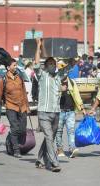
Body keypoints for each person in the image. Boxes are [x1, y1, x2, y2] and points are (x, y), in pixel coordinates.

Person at [34, 38, 62, 172]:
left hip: (56, 112)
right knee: (49, 137)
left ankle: (40, 159)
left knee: (49, 138)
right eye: (49, 63)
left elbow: (71, 64)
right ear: (45, 66)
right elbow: (36, 63)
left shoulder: (58, 77)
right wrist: (38, 46)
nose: (52, 65)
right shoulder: (42, 75)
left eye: (54, 64)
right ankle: (54, 162)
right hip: (44, 112)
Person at [0, 58, 29, 158]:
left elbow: (24, 92)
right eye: (14, 65)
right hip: (10, 106)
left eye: (16, 65)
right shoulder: (3, 80)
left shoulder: (20, 77)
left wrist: (27, 106)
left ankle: (10, 139)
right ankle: (16, 150)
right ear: (8, 67)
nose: (16, 67)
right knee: (15, 127)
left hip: (22, 106)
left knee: (22, 129)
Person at [55, 71, 86, 158]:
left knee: (71, 131)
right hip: (59, 111)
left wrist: (82, 108)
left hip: (70, 111)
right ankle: (59, 149)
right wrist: (60, 89)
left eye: (65, 75)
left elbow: (77, 95)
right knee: (59, 131)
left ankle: (72, 148)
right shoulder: (56, 82)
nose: (63, 78)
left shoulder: (72, 83)